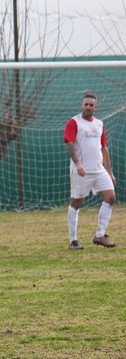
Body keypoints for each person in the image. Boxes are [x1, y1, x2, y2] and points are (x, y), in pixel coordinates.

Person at [64, 92, 117, 249]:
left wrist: (110, 172)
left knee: (110, 197)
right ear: (82, 105)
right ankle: (73, 240)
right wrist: (78, 163)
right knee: (76, 203)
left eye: (91, 105)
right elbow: (69, 143)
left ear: (95, 107)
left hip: (99, 170)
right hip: (81, 171)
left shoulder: (99, 124)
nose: (88, 107)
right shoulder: (74, 122)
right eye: (86, 104)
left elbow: (103, 148)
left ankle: (100, 235)